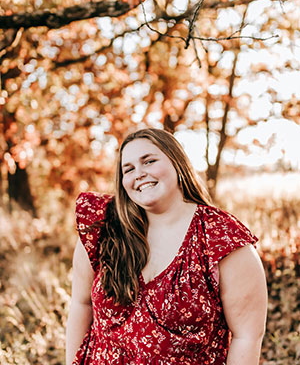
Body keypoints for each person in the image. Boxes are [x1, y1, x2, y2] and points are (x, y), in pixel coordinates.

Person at [66, 128, 268, 365]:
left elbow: (247, 336)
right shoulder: (103, 227)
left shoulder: (220, 237)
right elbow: (81, 304)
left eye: (149, 161)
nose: (139, 174)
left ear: (177, 163)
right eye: (128, 169)